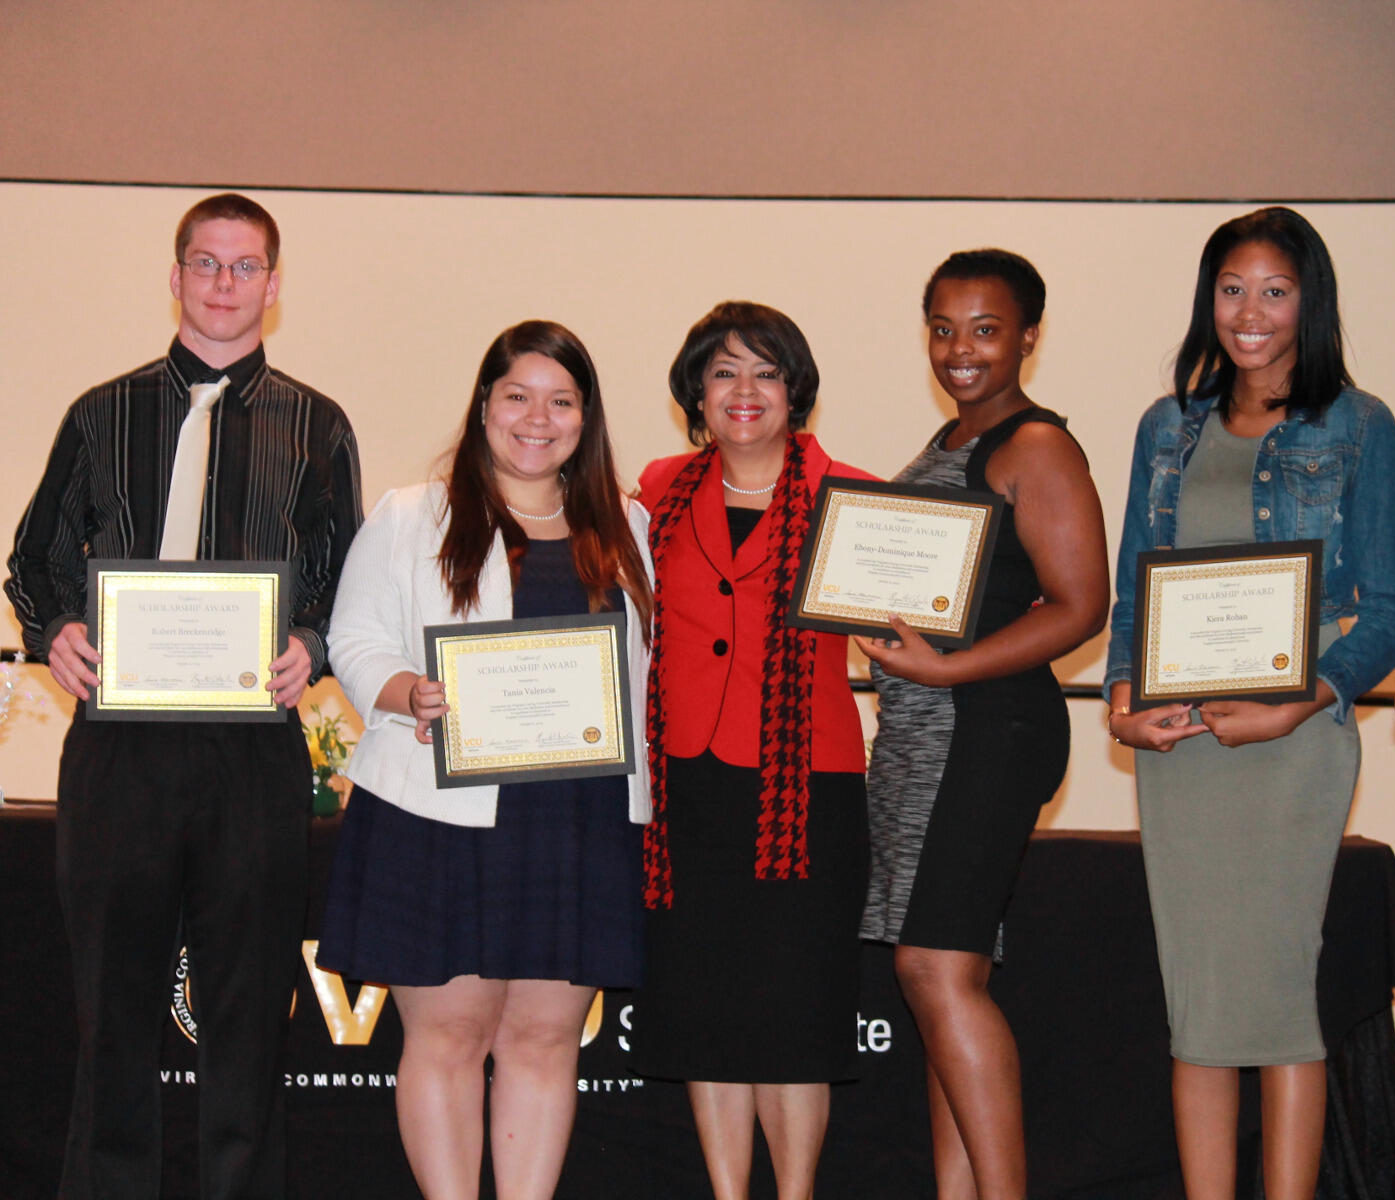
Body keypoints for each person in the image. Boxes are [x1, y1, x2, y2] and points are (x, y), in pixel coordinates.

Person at [4, 193, 363, 1199]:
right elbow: (34, 562)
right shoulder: (99, 412)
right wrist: (56, 632)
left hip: (252, 753)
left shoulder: (318, 424)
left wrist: (312, 644)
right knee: (112, 1011)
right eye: (205, 264)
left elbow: (345, 577)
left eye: (244, 267)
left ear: (273, 286)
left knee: (246, 1015)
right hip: (122, 749)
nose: (222, 284)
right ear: (175, 277)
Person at [1104, 207, 1395, 1200]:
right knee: (1198, 1000)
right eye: (1232, 288)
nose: (1250, 312)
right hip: (1182, 741)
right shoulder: (1169, 425)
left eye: (1275, 291)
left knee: (1279, 993)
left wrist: (1303, 701)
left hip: (1295, 741)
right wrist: (1121, 700)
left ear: (1308, 302)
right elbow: (1131, 591)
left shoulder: (1360, 424)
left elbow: (1392, 605)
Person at [316, 320, 651, 1200]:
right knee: (449, 1036)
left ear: (587, 418)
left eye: (562, 401)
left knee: (545, 1040)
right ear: (484, 405)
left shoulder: (627, 527)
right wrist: (405, 691)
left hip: (578, 815)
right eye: (518, 396)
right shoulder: (410, 514)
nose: (538, 419)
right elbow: (353, 639)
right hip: (441, 809)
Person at [859, 249, 1109, 1200]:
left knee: (934, 969)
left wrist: (950, 665)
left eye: (987, 329)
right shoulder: (952, 441)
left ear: (1030, 339)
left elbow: (1081, 603)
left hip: (986, 732)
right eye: (944, 327)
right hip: (933, 735)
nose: (961, 349)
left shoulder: (1035, 445)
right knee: (939, 981)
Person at [631, 301, 873, 1200]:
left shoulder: (853, 497)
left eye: (765, 372)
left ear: (794, 390)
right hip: (684, 789)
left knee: (792, 1016)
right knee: (704, 1010)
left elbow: (914, 629)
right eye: (724, 370)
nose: (744, 391)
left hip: (805, 796)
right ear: (696, 388)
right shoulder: (654, 489)